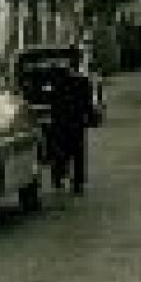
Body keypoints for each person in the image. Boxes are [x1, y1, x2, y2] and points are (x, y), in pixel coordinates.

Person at [44, 61, 98, 195]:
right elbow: (88, 103)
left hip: (61, 123)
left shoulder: (55, 83)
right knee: (77, 152)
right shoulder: (82, 82)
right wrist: (91, 117)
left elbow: (49, 102)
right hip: (75, 122)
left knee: (60, 151)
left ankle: (60, 178)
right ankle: (76, 182)